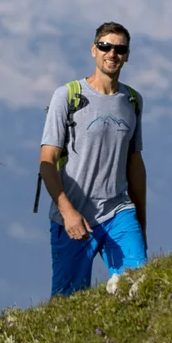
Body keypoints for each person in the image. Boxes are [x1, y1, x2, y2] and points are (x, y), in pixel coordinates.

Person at [37, 21, 147, 297]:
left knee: (139, 287)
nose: (112, 53)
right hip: (73, 216)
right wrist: (67, 212)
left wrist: (140, 222)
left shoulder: (132, 100)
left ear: (127, 55)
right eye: (105, 46)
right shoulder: (68, 96)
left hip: (118, 212)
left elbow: (134, 161)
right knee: (67, 304)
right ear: (93, 50)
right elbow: (47, 161)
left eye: (119, 48)